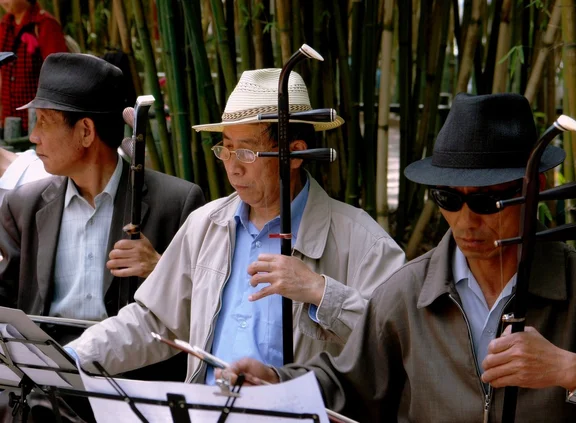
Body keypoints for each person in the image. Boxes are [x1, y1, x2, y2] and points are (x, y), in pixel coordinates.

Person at [225, 93, 576, 422]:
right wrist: (276, 382)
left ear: (537, 189)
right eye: (449, 199)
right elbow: (349, 384)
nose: (466, 222)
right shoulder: (408, 293)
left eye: (488, 201)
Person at [66, 68, 406, 385]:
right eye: (225, 150)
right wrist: (73, 358)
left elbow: (400, 344)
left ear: (296, 153)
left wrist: (321, 291)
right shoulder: (205, 225)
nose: (233, 168)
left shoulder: (363, 241)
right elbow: (153, 321)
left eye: (246, 153)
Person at [0, 53, 205, 382]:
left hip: (132, 383)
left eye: (43, 121)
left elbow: (208, 308)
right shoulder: (23, 205)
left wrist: (160, 267)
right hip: (43, 383)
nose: (34, 136)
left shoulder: (176, 203)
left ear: (85, 131)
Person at [0, 0, 67, 134]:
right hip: (8, 119)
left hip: (38, 120)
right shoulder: (4, 25)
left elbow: (59, 75)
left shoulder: (44, 24)